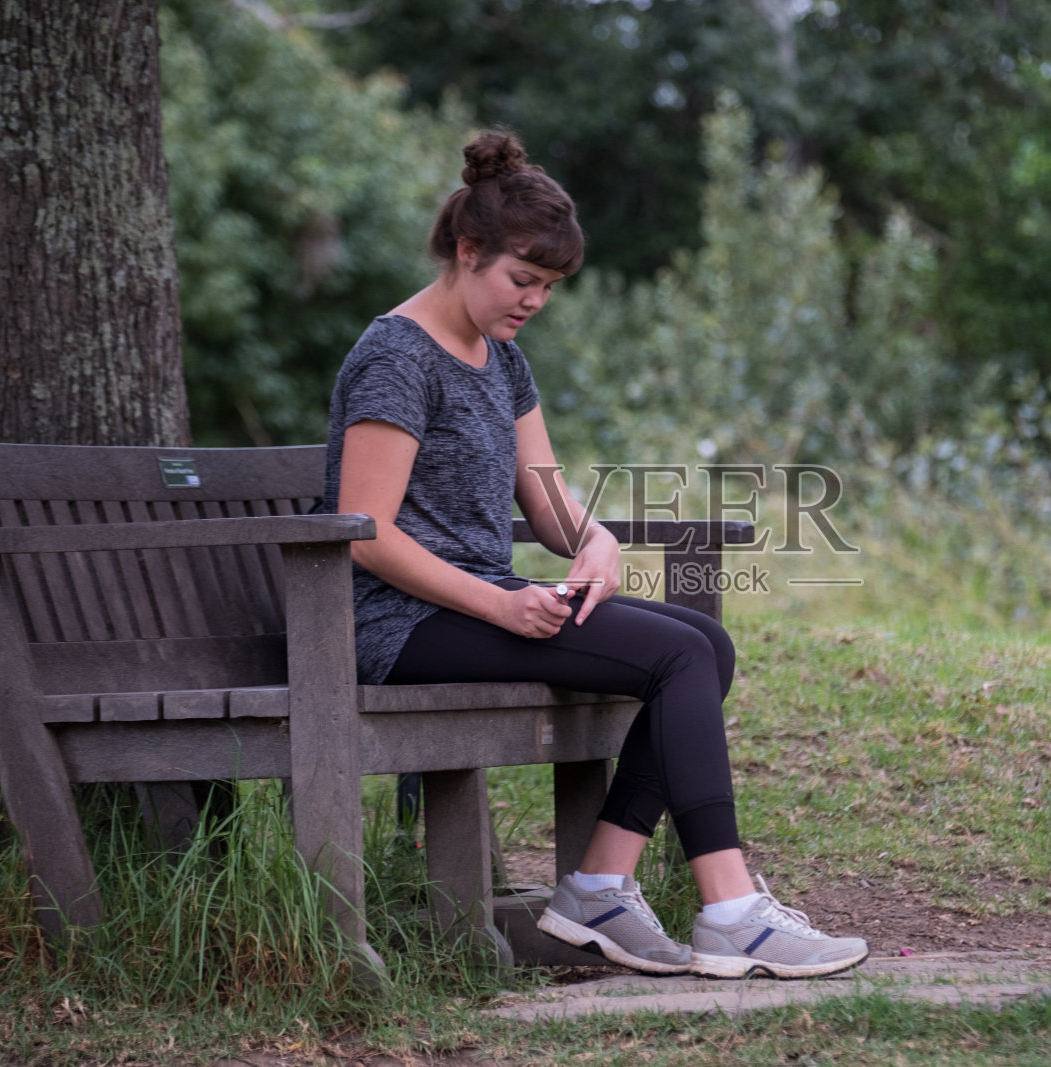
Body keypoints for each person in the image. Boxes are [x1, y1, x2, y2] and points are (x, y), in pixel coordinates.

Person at [322, 129, 867, 980]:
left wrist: (596, 538)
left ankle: (602, 885)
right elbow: (367, 535)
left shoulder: (500, 358)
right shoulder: (395, 357)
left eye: (547, 287)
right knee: (680, 652)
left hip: (476, 601)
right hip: (396, 625)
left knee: (705, 644)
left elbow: (545, 502)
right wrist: (501, 603)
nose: (533, 300)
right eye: (522, 279)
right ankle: (727, 909)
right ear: (468, 252)